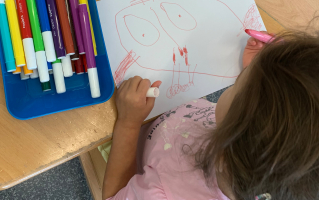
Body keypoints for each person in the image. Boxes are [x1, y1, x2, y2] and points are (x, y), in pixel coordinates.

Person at [102, 30, 319, 200]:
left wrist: (128, 124)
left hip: (138, 145)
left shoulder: (161, 194)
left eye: (239, 85)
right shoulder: (252, 157)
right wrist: (261, 78)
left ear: (220, 154)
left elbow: (113, 196)